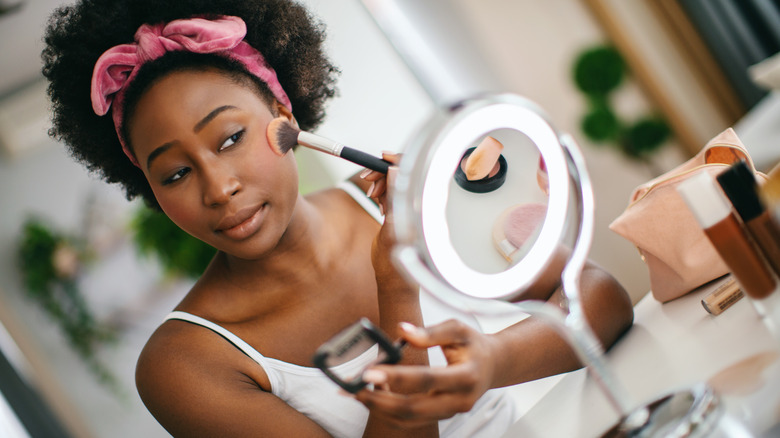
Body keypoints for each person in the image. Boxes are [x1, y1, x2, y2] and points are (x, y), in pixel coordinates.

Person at [42, 0, 634, 436]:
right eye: (173, 174)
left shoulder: (395, 199)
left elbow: (601, 300)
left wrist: (492, 362)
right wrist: (397, 287)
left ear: (284, 116)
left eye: (229, 138)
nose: (219, 188)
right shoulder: (185, 365)